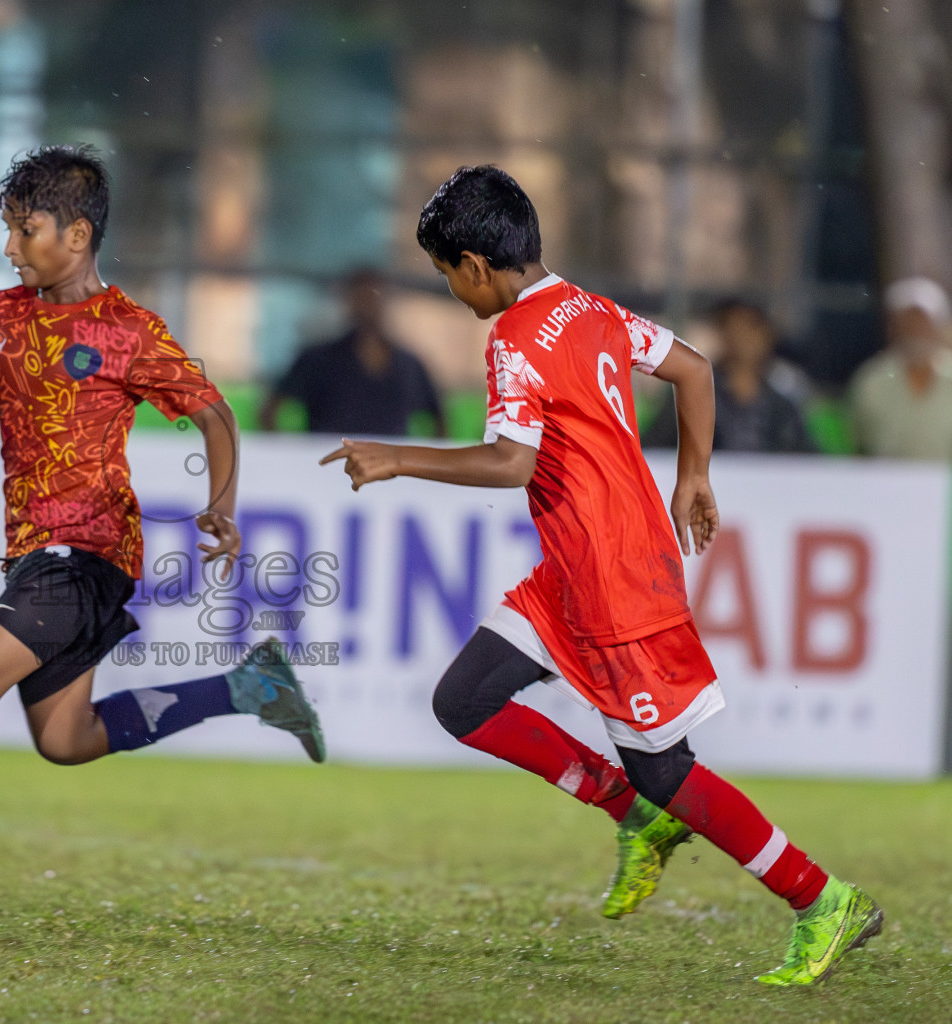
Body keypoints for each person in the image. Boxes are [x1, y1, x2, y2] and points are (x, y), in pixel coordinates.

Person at [321, 166, 881, 986]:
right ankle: (636, 820)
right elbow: (693, 367)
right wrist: (694, 476)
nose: (451, 292)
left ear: (476, 265)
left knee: (667, 769)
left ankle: (822, 899)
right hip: (574, 572)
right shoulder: (590, 307)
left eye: (447, 275)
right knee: (463, 701)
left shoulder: (513, 338)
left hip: (616, 575)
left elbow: (514, 462)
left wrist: (397, 456)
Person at [0, 145, 325, 920]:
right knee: (66, 736)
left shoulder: (129, 330)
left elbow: (214, 413)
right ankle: (250, 686)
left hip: (87, 554)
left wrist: (223, 501)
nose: (11, 247)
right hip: (35, 560)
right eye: (8, 231)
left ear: (76, 236)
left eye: (25, 229)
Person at [258, 269, 446, 437]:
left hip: (392, 467)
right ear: (348, 301)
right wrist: (294, 458)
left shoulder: (409, 364)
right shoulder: (318, 359)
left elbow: (439, 421)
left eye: (374, 296)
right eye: (361, 297)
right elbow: (269, 411)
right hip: (331, 464)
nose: (368, 304)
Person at [643, 300, 816, 453]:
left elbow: (808, 458)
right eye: (733, 329)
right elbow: (654, 447)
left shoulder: (783, 400)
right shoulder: (691, 394)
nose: (742, 339)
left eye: (751, 330)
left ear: (767, 336)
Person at [850, 276, 952, 460]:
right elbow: (858, 447)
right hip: (885, 485)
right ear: (894, 327)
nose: (916, 330)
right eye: (908, 322)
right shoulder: (871, 382)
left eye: (923, 322)